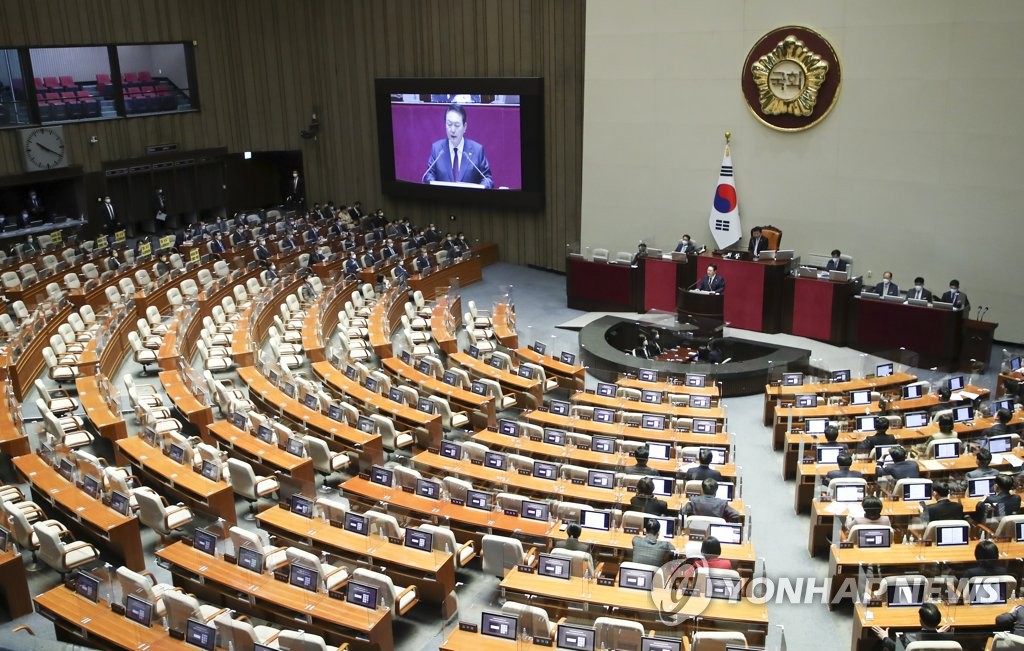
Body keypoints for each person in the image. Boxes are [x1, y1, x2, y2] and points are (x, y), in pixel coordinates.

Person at [422, 104, 494, 188]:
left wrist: (479, 189)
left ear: (464, 127)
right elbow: (428, 175)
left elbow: (488, 179)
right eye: (449, 124)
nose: (452, 130)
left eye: (457, 125)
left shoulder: (477, 150)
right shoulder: (437, 149)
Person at [872, 602, 953, 649]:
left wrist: (884, 637)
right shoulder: (948, 639)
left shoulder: (908, 637)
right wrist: (936, 633)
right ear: (939, 621)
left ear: (921, 621)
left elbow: (896, 648)